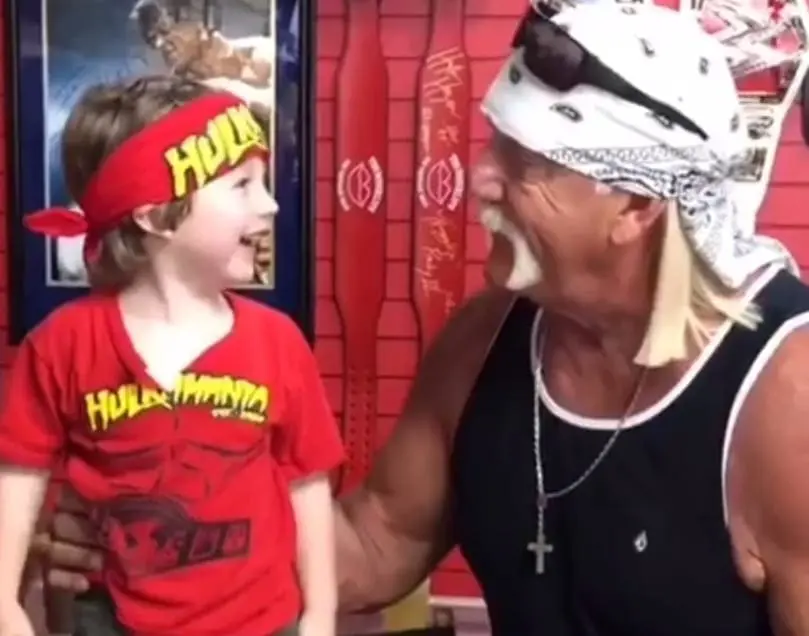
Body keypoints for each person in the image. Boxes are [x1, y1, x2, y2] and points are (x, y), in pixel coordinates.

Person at [38, 3, 809, 635]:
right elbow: (377, 541)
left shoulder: (786, 396)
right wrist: (162, 524)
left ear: (635, 206)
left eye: (524, 163)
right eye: (493, 145)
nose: (479, 179)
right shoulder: (484, 340)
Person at [0, 76, 344, 636]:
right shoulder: (61, 345)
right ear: (155, 214)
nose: (271, 204)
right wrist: (6, 607)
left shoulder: (279, 343)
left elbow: (307, 484)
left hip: (260, 622)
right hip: (111, 620)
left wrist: (321, 615)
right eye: (242, 185)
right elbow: (18, 476)